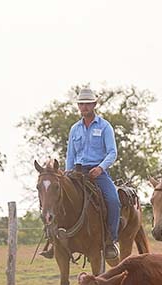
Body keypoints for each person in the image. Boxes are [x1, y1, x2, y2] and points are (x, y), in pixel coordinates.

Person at [42, 87, 121, 260]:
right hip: (75, 172)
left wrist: (100, 168)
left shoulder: (105, 126)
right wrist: (67, 174)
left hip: (97, 173)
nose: (84, 107)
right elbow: (70, 154)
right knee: (54, 197)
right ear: (78, 106)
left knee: (114, 200)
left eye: (87, 104)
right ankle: (53, 240)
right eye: (81, 104)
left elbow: (112, 152)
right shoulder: (74, 129)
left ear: (94, 104)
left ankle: (110, 241)